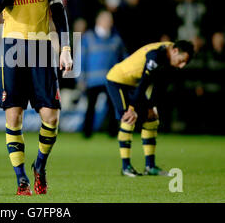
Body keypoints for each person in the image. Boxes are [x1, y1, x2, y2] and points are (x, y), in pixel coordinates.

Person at [0, 0, 73, 196]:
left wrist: (66, 48)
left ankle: (40, 165)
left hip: (41, 49)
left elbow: (58, 12)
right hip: (12, 49)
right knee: (14, 117)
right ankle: (21, 178)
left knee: (51, 116)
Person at [106, 40, 194, 177]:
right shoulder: (156, 55)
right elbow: (144, 82)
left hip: (133, 85)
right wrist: (132, 107)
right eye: (182, 60)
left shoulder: (169, 55)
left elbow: (160, 84)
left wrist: (151, 106)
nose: (182, 65)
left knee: (152, 118)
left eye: (185, 63)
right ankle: (126, 167)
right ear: (175, 51)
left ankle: (150, 166)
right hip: (117, 81)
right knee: (129, 118)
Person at [75, 12, 128, 138]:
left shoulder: (116, 39)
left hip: (111, 80)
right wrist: (80, 78)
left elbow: (124, 59)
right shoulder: (88, 38)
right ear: (98, 21)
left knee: (112, 106)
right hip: (92, 80)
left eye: (109, 20)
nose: (108, 22)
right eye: (105, 19)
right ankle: (87, 133)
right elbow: (80, 59)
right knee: (90, 106)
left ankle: (113, 133)